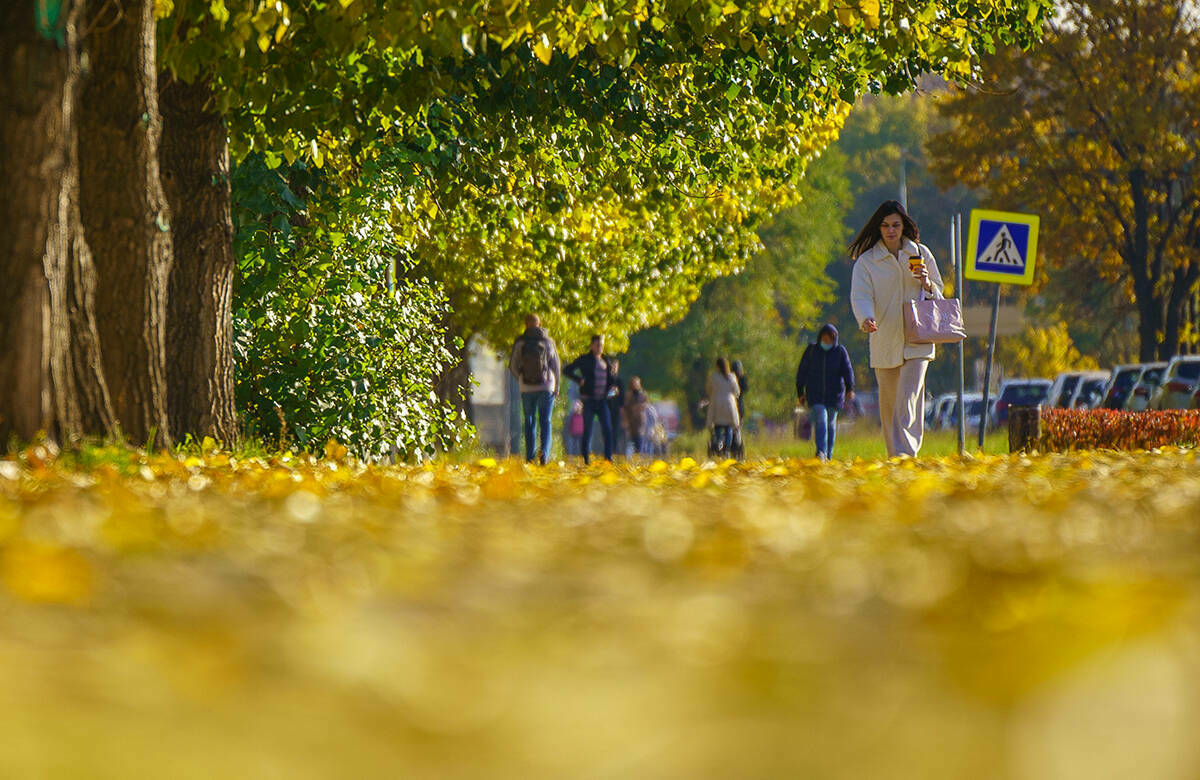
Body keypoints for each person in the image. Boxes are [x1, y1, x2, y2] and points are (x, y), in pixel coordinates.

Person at [849, 200, 945, 457]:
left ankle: (906, 455)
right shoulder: (867, 262)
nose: (891, 230)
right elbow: (861, 296)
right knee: (890, 406)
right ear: (878, 228)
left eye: (895, 225)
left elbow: (939, 291)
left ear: (904, 226)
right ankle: (895, 457)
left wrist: (926, 282)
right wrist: (866, 318)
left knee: (908, 399)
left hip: (918, 340)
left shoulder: (920, 254)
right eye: (885, 225)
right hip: (884, 340)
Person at [795, 323, 856, 460]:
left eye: (829, 340)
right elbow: (802, 372)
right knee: (821, 419)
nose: (826, 343)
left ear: (834, 340)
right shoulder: (812, 351)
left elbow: (847, 371)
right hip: (814, 395)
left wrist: (850, 388)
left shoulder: (840, 352)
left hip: (834, 396)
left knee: (831, 425)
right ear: (819, 338)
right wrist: (800, 392)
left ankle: (828, 456)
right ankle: (821, 452)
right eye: (824, 340)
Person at [509, 314, 561, 464]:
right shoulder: (548, 341)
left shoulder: (520, 342)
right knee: (545, 421)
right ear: (539, 324)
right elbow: (555, 365)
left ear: (526, 324)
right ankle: (544, 452)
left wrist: (521, 378)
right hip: (546, 386)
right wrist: (556, 386)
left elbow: (512, 365)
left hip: (526, 388)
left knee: (529, 421)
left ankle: (530, 457)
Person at [563, 334, 617, 464]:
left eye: (602, 345)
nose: (600, 348)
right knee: (587, 429)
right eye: (598, 345)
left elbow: (610, 381)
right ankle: (586, 458)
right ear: (592, 345)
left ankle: (608, 458)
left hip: (602, 400)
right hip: (589, 400)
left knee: (608, 429)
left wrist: (613, 380)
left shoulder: (606, 361)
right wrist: (579, 379)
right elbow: (567, 370)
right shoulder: (585, 359)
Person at [705, 357, 741, 455]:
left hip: (717, 403)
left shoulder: (713, 377)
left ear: (717, 366)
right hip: (729, 404)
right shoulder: (732, 377)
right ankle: (727, 448)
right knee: (729, 426)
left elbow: (709, 390)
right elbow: (737, 391)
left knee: (718, 426)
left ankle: (719, 443)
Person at [623, 376, 651, 457]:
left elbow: (647, 404)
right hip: (631, 419)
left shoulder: (643, 394)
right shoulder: (628, 395)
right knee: (633, 438)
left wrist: (639, 406)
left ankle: (639, 454)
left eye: (637, 383)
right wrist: (625, 420)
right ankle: (636, 454)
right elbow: (625, 407)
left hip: (641, 419)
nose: (635, 385)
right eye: (634, 383)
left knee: (639, 437)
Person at [607, 358, 627, 456]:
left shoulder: (619, 381)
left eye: (616, 366)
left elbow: (623, 396)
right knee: (607, 429)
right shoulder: (606, 379)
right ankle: (608, 448)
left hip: (616, 409)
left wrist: (622, 408)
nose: (614, 368)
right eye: (612, 366)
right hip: (607, 408)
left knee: (615, 430)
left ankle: (613, 449)